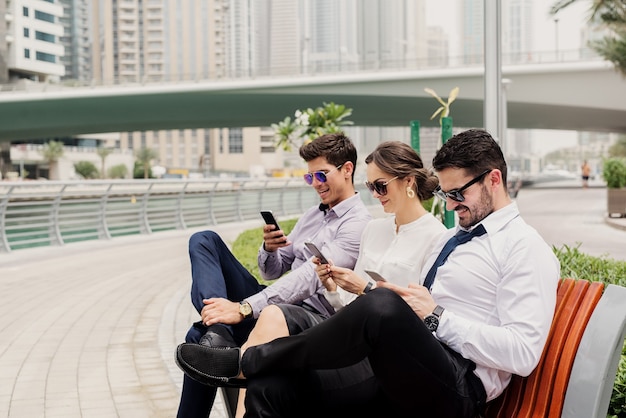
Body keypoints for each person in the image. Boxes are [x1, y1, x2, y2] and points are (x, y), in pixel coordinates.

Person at [175, 129, 561, 418]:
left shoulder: (525, 248)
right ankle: (254, 367)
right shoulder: (456, 239)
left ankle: (246, 361)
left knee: (381, 304)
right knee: (271, 391)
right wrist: (395, 299)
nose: (452, 205)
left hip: (458, 386)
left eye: (458, 193)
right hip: (401, 365)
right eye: (446, 195)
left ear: (494, 179)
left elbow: (523, 353)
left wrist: (436, 318)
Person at [226, 141, 447, 417]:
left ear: (409, 182)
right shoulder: (374, 229)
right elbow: (344, 304)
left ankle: (241, 361)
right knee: (266, 386)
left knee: (269, 358)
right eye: (370, 188)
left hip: (381, 360)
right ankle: (241, 360)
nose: (376, 195)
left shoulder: (436, 237)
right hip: (344, 340)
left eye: (380, 186)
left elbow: (419, 318)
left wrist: (366, 287)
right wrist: (332, 285)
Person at [175, 132, 372, 418]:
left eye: (321, 175)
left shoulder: (356, 224)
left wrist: (243, 309)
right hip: (280, 307)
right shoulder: (312, 216)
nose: (315, 184)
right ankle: (218, 330)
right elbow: (273, 271)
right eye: (309, 178)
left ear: (347, 169)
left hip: (311, 321)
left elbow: (308, 278)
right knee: (204, 240)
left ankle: (215, 333)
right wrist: (269, 249)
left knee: (196, 336)